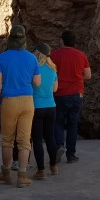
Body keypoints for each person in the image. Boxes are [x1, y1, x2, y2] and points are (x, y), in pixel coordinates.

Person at [0, 25, 41, 188]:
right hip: (28, 101)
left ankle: (6, 173)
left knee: (7, 140)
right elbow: (37, 82)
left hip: (9, 100)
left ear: (10, 39)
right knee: (24, 140)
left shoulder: (2, 58)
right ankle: (22, 175)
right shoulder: (32, 58)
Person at [50, 31, 91, 164]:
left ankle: (59, 145)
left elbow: (49, 73)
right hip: (76, 94)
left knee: (58, 122)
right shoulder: (81, 55)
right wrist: (77, 78)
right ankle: (71, 155)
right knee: (73, 125)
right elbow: (88, 75)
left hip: (59, 94)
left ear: (62, 41)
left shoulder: (54, 54)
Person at [30, 43, 59, 179]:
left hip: (36, 107)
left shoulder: (34, 69)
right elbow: (55, 89)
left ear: (38, 54)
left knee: (37, 140)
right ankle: (53, 166)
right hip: (51, 106)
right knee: (50, 138)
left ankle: (41, 170)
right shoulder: (53, 69)